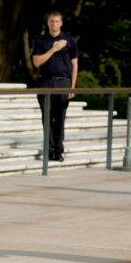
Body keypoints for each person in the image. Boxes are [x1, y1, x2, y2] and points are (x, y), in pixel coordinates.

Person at [32, 10, 79, 162]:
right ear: (48, 23)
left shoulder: (70, 40)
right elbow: (36, 62)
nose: (54, 24)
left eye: (57, 21)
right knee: (46, 118)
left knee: (59, 119)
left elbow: (74, 64)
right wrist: (53, 49)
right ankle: (49, 149)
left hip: (63, 82)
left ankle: (58, 150)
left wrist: (72, 86)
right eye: (51, 21)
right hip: (45, 82)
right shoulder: (41, 40)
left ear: (61, 23)